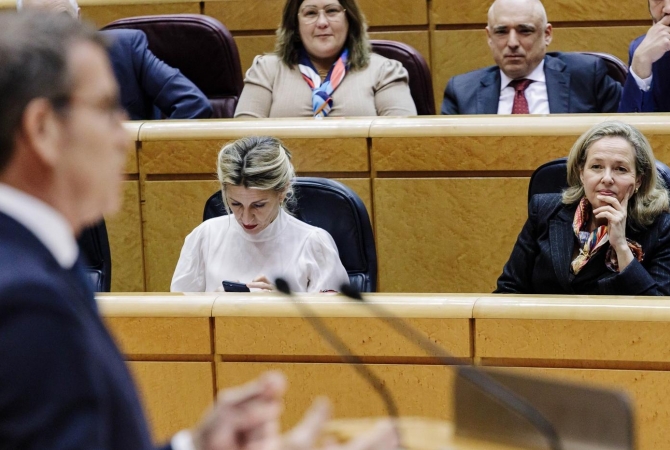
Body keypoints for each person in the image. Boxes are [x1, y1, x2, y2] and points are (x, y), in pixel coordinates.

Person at [0, 11, 394, 449]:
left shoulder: (41, 263)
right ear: (43, 128)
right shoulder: (22, 297)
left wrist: (194, 446)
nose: (124, 135)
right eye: (108, 109)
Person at [495, 121, 670, 295]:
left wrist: (621, 247)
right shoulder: (544, 211)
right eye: (596, 166)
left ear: (638, 181)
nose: (607, 178)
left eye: (621, 169)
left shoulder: (663, 230)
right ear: (582, 174)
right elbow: (508, 290)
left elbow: (660, 314)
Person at [171, 136, 350, 293]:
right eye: (236, 204)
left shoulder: (314, 243)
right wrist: (213, 303)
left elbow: (336, 325)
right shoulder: (204, 236)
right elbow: (178, 320)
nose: (246, 218)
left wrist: (284, 307)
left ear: (282, 191)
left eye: (258, 205)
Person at [18, 0, 213, 120]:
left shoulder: (125, 49)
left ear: (78, 18)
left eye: (63, 20)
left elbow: (193, 103)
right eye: (41, 26)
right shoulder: (13, 70)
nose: (56, 35)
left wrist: (148, 158)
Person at [234, 0, 416, 118]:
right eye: (310, 13)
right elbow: (242, 143)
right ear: (295, 25)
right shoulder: (266, 70)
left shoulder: (384, 71)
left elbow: (402, 143)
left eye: (332, 11)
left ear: (349, 20)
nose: (322, 22)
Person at [440, 0, 621, 115]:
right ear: (489, 37)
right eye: (501, 32)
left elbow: (628, 133)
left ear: (547, 34)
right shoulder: (462, 91)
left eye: (524, 31)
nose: (512, 42)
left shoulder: (587, 76)